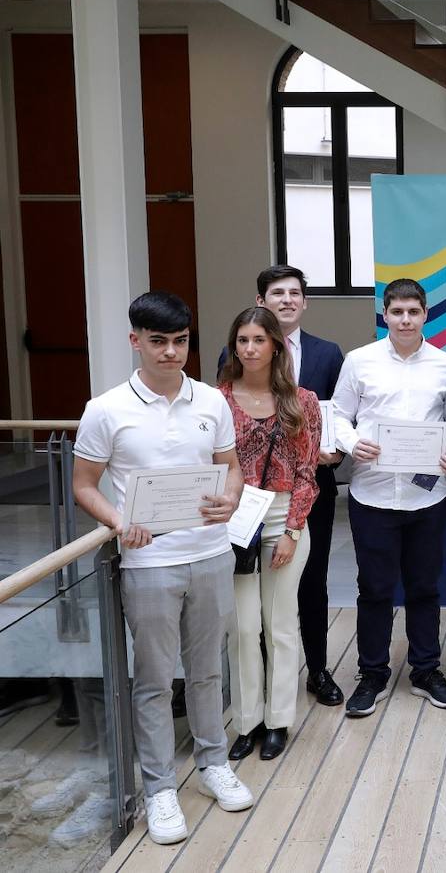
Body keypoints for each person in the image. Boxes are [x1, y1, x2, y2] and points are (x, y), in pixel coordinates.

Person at [72, 292, 252, 845]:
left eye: (179, 341)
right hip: (148, 561)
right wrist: (119, 520)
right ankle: (159, 789)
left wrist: (230, 498)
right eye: (158, 342)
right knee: (152, 679)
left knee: (207, 670)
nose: (171, 353)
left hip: (211, 552)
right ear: (135, 342)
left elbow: (232, 471)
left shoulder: (212, 402)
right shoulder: (106, 409)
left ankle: (214, 763)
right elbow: (83, 485)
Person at [332, 278, 446, 718]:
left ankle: (426, 670)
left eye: (414, 311)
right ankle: (372, 673)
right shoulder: (360, 361)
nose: (405, 319)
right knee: (374, 590)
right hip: (371, 493)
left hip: (427, 497)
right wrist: (352, 444)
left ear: (426, 314)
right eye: (397, 312)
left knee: (425, 587)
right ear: (384, 315)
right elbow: (337, 414)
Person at [218, 265, 345, 706]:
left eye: (295, 293)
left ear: (304, 302)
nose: (287, 300)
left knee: (311, 582)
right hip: (246, 502)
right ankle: (261, 686)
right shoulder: (236, 359)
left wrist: (336, 451)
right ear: (261, 302)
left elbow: (339, 417)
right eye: (277, 292)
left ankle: (319, 670)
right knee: (248, 608)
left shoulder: (328, 353)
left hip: (308, 492)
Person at [219, 307, 322, 761]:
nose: (250, 348)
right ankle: (247, 722)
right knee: (242, 628)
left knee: (279, 625)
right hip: (234, 520)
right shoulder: (215, 400)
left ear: (275, 345)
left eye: (259, 340)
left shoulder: (302, 401)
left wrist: (293, 530)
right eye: (242, 340)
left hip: (284, 517)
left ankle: (278, 721)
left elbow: (307, 474)